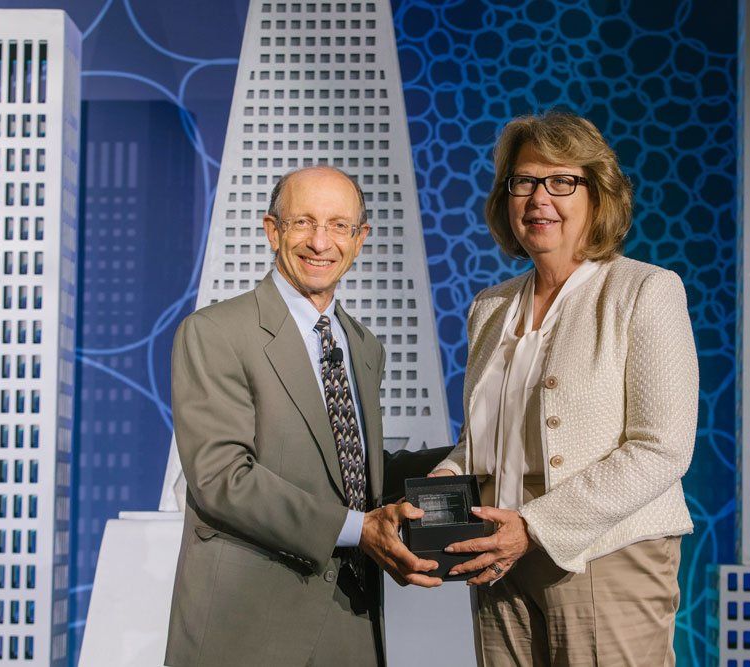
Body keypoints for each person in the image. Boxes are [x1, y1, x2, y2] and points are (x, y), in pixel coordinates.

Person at [431, 112, 699, 666]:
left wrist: (534, 526)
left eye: (561, 181)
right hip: (497, 555)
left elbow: (663, 448)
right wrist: (450, 475)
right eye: (523, 181)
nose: (538, 198)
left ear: (598, 196)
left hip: (607, 552)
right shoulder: (491, 307)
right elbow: (489, 436)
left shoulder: (646, 290)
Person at [165, 166, 448, 667]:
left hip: (352, 620)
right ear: (273, 230)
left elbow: (354, 468)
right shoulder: (215, 332)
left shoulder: (363, 346)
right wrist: (357, 528)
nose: (321, 241)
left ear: (360, 239)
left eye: (339, 226)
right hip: (250, 628)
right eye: (304, 223)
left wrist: (469, 456)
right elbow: (221, 477)